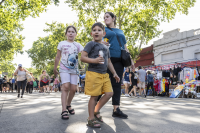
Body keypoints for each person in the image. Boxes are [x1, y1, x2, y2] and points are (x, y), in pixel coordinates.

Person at [81, 22, 120, 128]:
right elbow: (83, 57)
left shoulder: (106, 47)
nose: (96, 32)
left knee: (109, 93)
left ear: (104, 33)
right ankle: (90, 119)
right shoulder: (91, 44)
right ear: (91, 33)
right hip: (93, 73)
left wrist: (114, 73)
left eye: (99, 30)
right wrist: (94, 60)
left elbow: (109, 62)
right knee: (94, 96)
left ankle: (95, 111)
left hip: (104, 75)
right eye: (94, 30)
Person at [100, 12, 134, 118]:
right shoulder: (102, 29)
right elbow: (96, 41)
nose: (105, 19)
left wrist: (131, 61)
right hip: (107, 59)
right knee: (102, 83)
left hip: (119, 60)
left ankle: (116, 109)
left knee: (117, 84)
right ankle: (95, 108)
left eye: (107, 17)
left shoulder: (120, 31)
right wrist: (100, 43)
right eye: (104, 17)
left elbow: (124, 46)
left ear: (113, 18)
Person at [54, 25, 84, 120]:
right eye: (69, 31)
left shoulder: (78, 45)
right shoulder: (62, 43)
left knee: (73, 88)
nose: (71, 33)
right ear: (66, 33)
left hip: (74, 70)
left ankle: (68, 104)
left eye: (73, 31)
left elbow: (85, 54)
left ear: (75, 34)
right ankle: (64, 110)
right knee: (66, 86)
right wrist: (55, 68)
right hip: (64, 68)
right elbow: (58, 57)